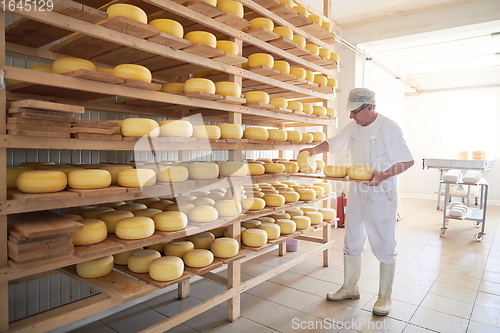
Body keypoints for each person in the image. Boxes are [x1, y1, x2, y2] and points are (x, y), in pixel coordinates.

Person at [300, 88, 414, 316]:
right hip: (358, 191)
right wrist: (313, 150)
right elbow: (332, 143)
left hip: (381, 193)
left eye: (354, 112)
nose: (351, 116)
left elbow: (407, 161)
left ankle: (384, 297)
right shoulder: (353, 128)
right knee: (352, 237)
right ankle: (350, 287)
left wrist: (383, 174)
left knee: (383, 242)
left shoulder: (388, 127)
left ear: (370, 107)